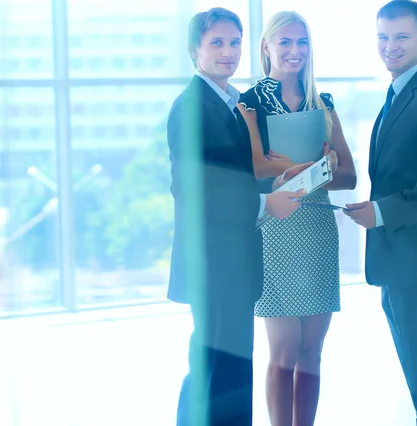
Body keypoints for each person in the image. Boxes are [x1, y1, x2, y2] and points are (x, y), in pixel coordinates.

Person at [167, 7, 311, 426]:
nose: (228, 52)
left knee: (225, 372)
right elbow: (195, 191)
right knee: (216, 373)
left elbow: (233, 176)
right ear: (195, 50)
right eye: (216, 43)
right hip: (213, 266)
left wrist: (279, 180)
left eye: (234, 42)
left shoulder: (227, 104)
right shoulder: (193, 107)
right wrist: (266, 204)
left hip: (231, 265)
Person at [345, 1, 417, 425]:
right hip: (401, 260)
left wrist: (380, 213)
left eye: (401, 36)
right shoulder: (398, 94)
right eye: (383, 36)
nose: (390, 46)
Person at [237, 10, 357, 426]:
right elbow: (251, 173)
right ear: (266, 46)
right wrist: (310, 167)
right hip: (275, 230)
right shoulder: (248, 104)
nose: (294, 51)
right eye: (284, 42)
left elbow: (347, 176)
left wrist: (299, 167)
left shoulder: (322, 104)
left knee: (312, 352)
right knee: (284, 351)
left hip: (318, 230)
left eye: (301, 42)